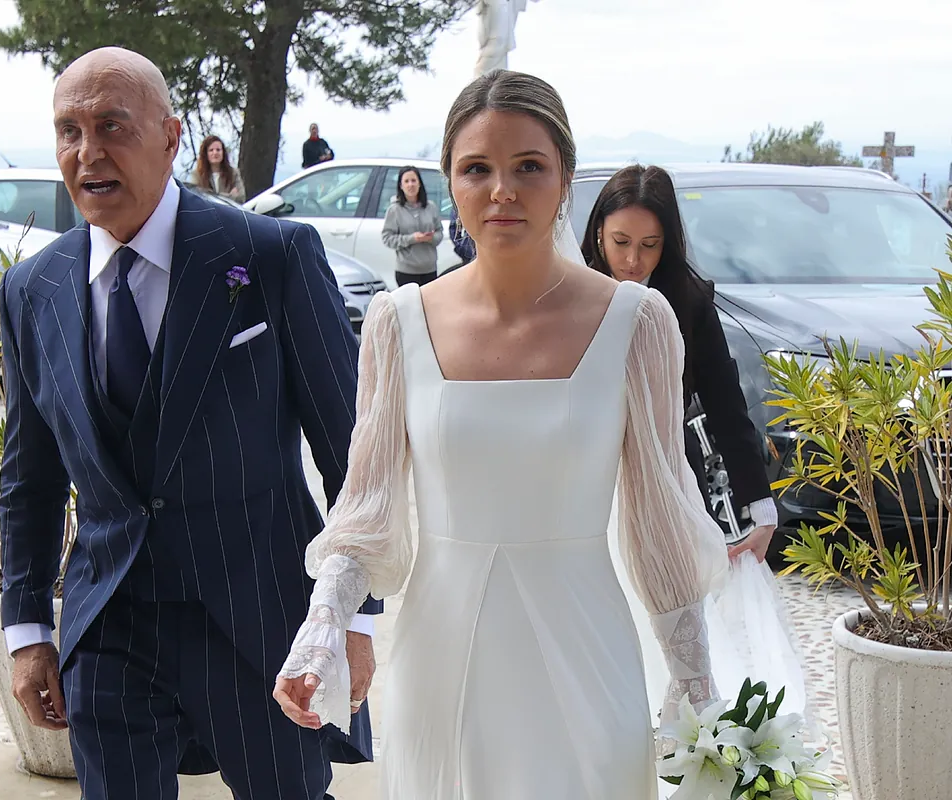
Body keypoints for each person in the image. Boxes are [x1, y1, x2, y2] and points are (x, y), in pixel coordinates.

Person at [275, 69, 732, 799]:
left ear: (566, 179)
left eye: (529, 167)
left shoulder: (638, 323)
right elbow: (365, 510)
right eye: (476, 169)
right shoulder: (398, 325)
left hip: (586, 649)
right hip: (442, 650)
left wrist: (701, 692)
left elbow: (661, 523)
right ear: (448, 182)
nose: (502, 191)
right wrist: (324, 629)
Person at [0, 46, 381, 800]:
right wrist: (27, 632)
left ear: (172, 138)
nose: (87, 152)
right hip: (109, 622)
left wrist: (355, 617)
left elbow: (354, 454)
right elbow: (29, 477)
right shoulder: (32, 287)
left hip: (257, 618)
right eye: (67, 131)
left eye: (112, 126)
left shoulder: (270, 255)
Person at [582, 164, 776, 558]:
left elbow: (726, 403)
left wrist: (761, 506)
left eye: (649, 244)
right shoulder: (568, 294)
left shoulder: (690, 301)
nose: (633, 259)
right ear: (599, 230)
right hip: (585, 477)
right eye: (621, 241)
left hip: (671, 473)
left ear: (667, 242)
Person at [381, 166, 444, 287]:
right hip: (406, 270)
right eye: (406, 181)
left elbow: (439, 232)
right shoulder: (395, 210)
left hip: (429, 269)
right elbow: (387, 238)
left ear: (420, 183)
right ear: (401, 185)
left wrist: (430, 238)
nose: (411, 185)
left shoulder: (431, 207)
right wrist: (412, 238)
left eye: (414, 180)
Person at [189, 135, 245, 202]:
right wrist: (229, 196)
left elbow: (241, 198)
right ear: (206, 154)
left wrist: (209, 194)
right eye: (211, 150)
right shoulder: (197, 175)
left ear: (223, 153)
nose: (215, 153)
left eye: (218, 150)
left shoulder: (233, 173)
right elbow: (195, 199)